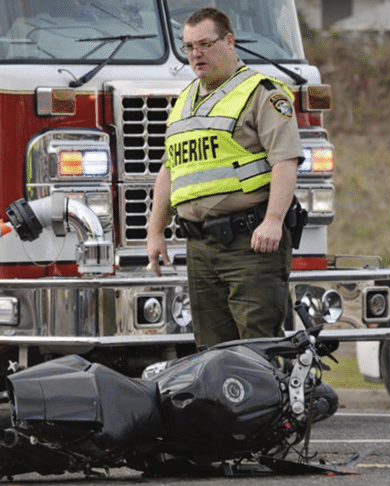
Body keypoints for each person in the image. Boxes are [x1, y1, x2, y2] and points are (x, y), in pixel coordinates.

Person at [146, 7, 303, 348]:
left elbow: (285, 160)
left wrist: (274, 220)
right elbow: (169, 170)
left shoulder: (262, 92)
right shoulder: (184, 101)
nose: (195, 54)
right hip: (200, 247)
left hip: (249, 244)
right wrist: (155, 231)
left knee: (257, 349)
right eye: (188, 46)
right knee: (213, 355)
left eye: (204, 43)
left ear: (229, 42)